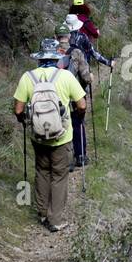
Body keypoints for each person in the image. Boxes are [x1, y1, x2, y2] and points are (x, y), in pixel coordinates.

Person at [13, 38, 87, 233]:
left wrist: (25, 121)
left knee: (42, 171)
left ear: (40, 58)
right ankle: (54, 220)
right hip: (61, 137)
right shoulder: (65, 77)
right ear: (57, 58)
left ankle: (43, 213)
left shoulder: (27, 77)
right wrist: (78, 117)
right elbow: (82, 105)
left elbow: (18, 109)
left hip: (38, 137)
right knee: (59, 175)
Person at [64, 14, 112, 169]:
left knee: (63, 121)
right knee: (78, 122)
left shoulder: (55, 45)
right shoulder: (82, 39)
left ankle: (64, 157)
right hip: (77, 88)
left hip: (58, 90)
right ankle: (80, 155)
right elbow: (93, 54)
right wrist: (108, 63)